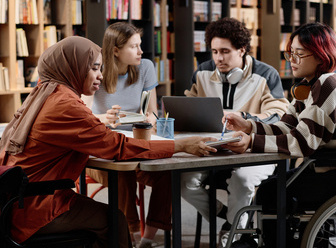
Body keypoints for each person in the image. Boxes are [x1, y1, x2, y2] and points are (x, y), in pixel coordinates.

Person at [0, 36, 216, 248]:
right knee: (115, 221)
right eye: (93, 68)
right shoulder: (64, 104)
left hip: (17, 202)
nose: (100, 76)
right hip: (38, 208)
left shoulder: (42, 94)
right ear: (71, 67)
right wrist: (181, 145)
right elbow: (117, 147)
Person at [223, 21, 336, 213]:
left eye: (299, 54)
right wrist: (248, 126)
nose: (292, 60)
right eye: (290, 53)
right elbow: (286, 126)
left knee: (270, 191)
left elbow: (302, 142)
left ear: (321, 55)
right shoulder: (309, 85)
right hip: (329, 166)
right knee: (271, 188)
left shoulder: (326, 84)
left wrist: (251, 142)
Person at [180, 17, 289, 247]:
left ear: (242, 50)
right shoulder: (201, 73)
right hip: (214, 150)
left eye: (225, 51)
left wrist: (246, 120)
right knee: (184, 182)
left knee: (242, 179)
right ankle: (231, 218)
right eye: (215, 51)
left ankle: (234, 234)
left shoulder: (266, 74)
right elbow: (189, 107)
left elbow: (278, 114)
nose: (219, 58)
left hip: (255, 149)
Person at [82, 22, 170, 248]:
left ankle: (148, 238)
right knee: (124, 172)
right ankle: (130, 235)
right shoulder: (95, 71)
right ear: (115, 50)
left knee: (168, 175)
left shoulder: (146, 67)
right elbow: (83, 117)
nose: (141, 52)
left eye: (140, 46)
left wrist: (148, 120)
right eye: (134, 47)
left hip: (135, 144)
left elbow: (152, 113)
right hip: (102, 152)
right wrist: (105, 119)